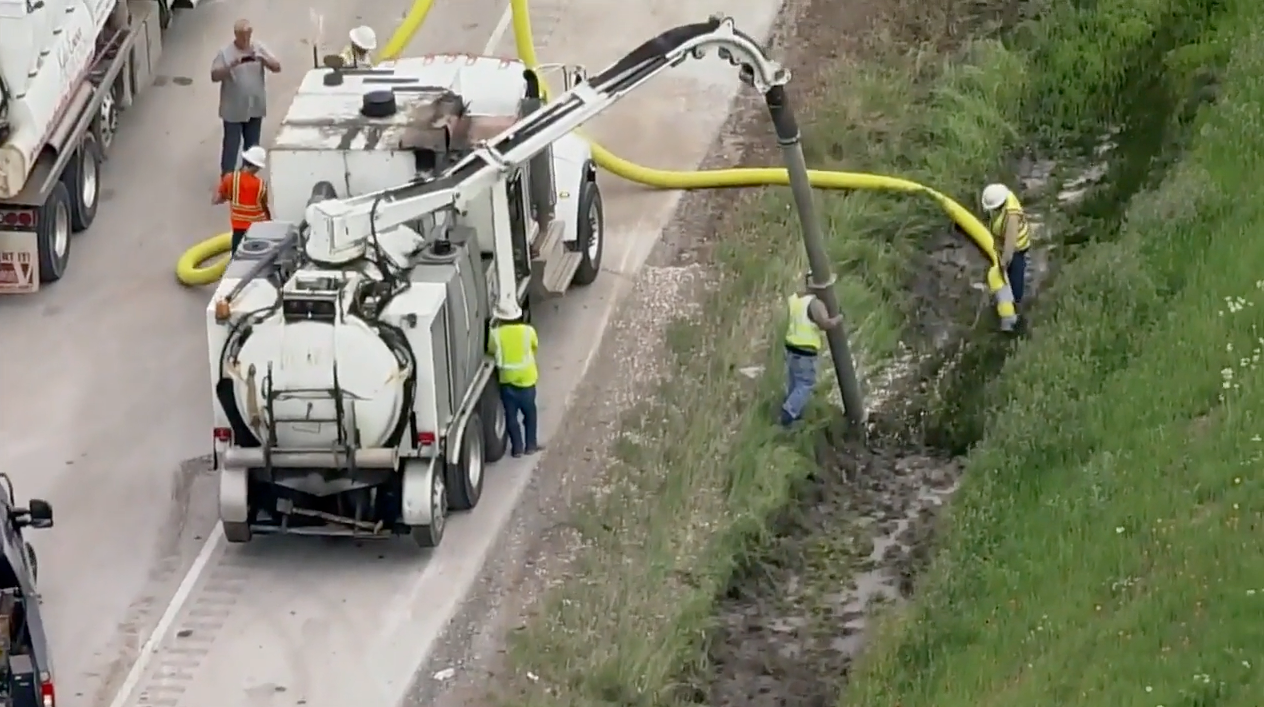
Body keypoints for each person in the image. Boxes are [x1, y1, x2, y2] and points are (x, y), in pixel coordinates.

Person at [211, 19, 281, 177]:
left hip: (254, 107)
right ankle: (227, 178)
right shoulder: (225, 53)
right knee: (231, 145)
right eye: (242, 36)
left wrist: (264, 60)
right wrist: (230, 65)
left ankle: (247, 178)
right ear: (235, 35)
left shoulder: (258, 48)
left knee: (252, 147)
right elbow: (214, 75)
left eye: (248, 35)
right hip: (233, 110)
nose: (245, 39)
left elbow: (277, 67)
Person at [781, 274, 844, 428]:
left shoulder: (796, 299)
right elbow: (825, 323)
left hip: (790, 346)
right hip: (805, 350)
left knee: (794, 383)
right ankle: (788, 413)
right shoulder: (815, 304)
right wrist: (839, 318)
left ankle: (793, 415)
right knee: (805, 383)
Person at [488, 301, 542, 457]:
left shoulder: (495, 334)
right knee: (530, 414)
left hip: (507, 381)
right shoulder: (528, 331)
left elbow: (491, 350)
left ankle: (517, 448)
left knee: (511, 417)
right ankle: (530, 445)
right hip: (527, 381)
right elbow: (534, 346)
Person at [981, 183, 1032, 307]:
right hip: (1003, 242)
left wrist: (1003, 263)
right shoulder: (1004, 197)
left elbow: (1010, 245)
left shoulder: (1011, 217)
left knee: (1015, 273)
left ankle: (1015, 303)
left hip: (1018, 247)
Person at [212, 146, 271, 253]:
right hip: (256, 230)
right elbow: (264, 207)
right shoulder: (261, 184)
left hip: (238, 229)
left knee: (236, 258)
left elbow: (217, 199)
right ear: (256, 167)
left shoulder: (230, 179)